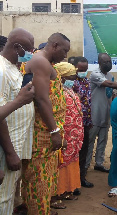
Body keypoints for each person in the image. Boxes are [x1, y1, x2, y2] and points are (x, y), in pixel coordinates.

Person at [21, 33, 70, 215]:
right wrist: (54, 131)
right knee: (38, 181)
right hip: (43, 133)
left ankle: (43, 210)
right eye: (64, 51)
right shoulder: (41, 62)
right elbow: (42, 99)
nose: (65, 56)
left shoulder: (46, 63)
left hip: (47, 132)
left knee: (44, 179)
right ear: (55, 46)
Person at [0, 28, 35, 214]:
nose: (31, 53)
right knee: (2, 199)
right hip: (7, 149)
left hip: (15, 145)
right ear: (17, 47)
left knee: (7, 196)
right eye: (30, 49)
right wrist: (11, 153)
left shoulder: (13, 67)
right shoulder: (1, 70)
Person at [55, 62, 83, 202]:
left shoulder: (70, 90)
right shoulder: (58, 93)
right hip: (64, 136)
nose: (75, 80)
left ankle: (67, 190)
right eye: (72, 77)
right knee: (61, 163)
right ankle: (57, 193)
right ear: (64, 78)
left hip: (74, 136)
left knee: (71, 162)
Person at [72, 56, 94, 189]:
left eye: (85, 69)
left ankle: (81, 178)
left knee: (84, 151)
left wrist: (89, 120)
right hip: (74, 124)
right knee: (74, 153)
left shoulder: (86, 81)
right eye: (81, 70)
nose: (83, 72)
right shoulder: (71, 82)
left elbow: (88, 103)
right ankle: (73, 183)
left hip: (85, 123)